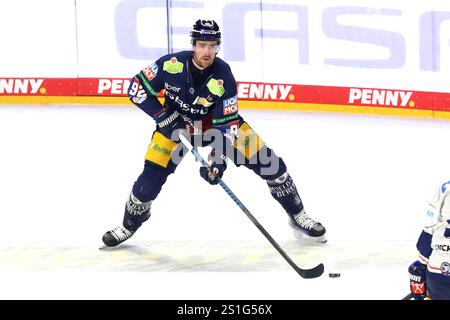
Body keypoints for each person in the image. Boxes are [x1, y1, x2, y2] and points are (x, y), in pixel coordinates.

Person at [102, 19, 326, 247]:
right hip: (175, 128)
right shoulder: (171, 64)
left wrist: (218, 161)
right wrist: (162, 116)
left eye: (212, 45)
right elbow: (135, 88)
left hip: (215, 128)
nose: (207, 51)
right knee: (147, 185)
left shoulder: (224, 75)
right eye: (202, 45)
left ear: (217, 46)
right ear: (193, 45)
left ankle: (298, 216)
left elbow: (226, 126)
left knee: (273, 167)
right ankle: (128, 226)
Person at [408, 180, 450, 300]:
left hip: (439, 270)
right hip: (439, 269)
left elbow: (429, 227)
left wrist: (422, 263)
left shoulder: (445, 188)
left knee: (417, 268)